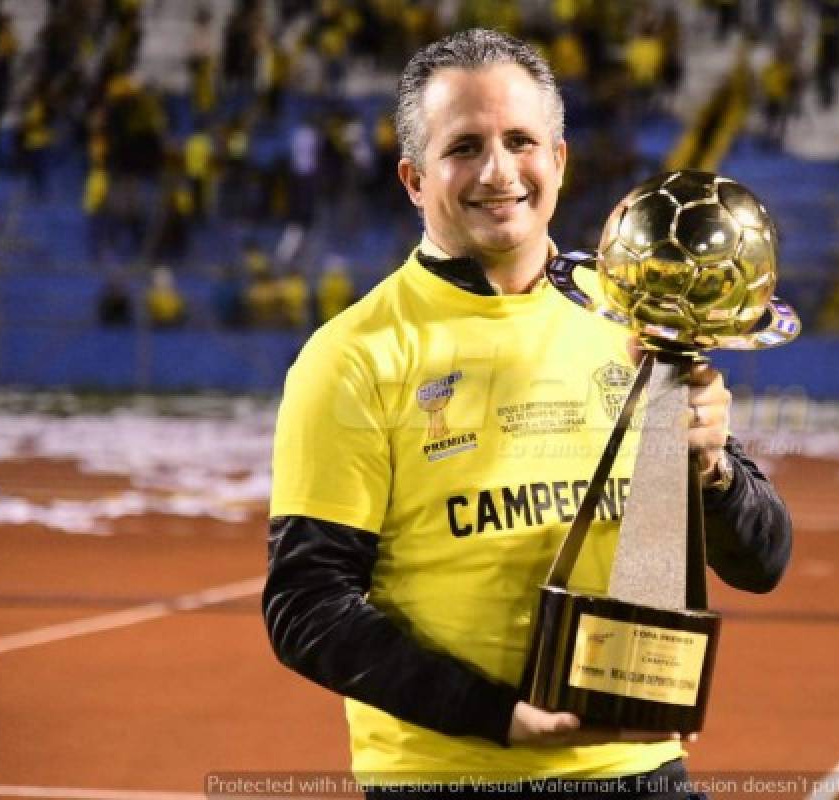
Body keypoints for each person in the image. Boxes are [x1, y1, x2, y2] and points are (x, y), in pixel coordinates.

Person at [262, 29, 792, 798]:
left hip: (640, 769)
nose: (499, 171)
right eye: (465, 147)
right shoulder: (355, 356)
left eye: (520, 141)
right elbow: (305, 605)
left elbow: (763, 562)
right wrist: (498, 716)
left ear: (560, 161)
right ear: (414, 179)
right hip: (452, 778)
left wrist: (712, 471)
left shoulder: (639, 317)